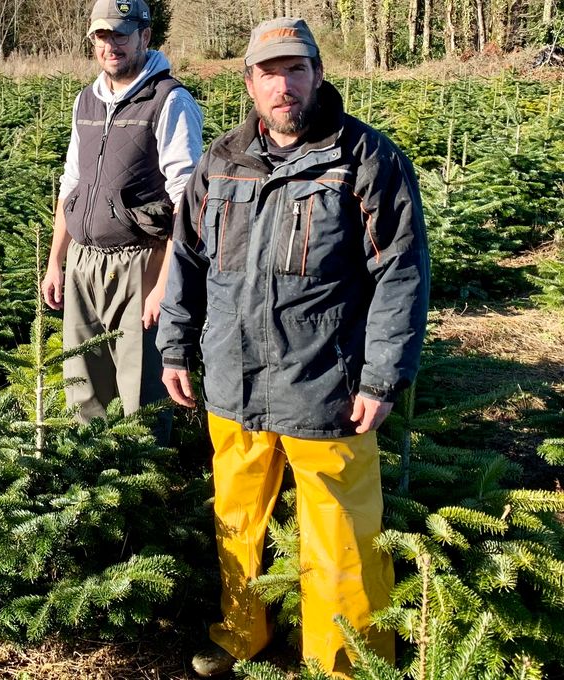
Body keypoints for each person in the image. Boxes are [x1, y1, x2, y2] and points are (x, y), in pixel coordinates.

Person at [155, 17, 430, 678]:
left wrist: (382, 376)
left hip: (326, 384)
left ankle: (344, 661)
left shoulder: (368, 160)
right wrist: (173, 348)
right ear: (249, 82)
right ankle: (241, 632)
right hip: (232, 379)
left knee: (341, 536)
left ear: (318, 74)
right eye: (269, 72)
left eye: (296, 69)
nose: (284, 85)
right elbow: (187, 261)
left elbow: (402, 273)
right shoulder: (220, 162)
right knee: (237, 520)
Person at [40, 0, 203, 424]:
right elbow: (71, 183)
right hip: (83, 260)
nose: (110, 45)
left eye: (120, 35)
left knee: (142, 389)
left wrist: (165, 284)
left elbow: (187, 198)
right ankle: (90, 475)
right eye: (101, 36)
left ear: (144, 36)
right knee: (83, 384)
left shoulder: (169, 101)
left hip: (141, 261)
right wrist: (55, 261)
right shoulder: (87, 102)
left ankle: (146, 479)